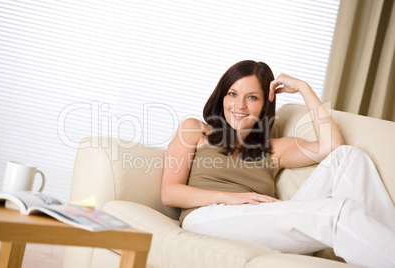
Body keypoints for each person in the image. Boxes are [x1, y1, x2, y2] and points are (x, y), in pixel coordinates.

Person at [161, 60, 395, 267]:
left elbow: (333, 147)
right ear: (221, 96)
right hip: (206, 218)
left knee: (348, 156)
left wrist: (304, 88)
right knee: (337, 212)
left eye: (252, 97)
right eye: (232, 94)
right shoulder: (195, 130)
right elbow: (170, 193)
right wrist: (228, 197)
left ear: (265, 105)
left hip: (261, 221)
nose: (239, 105)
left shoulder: (274, 149)